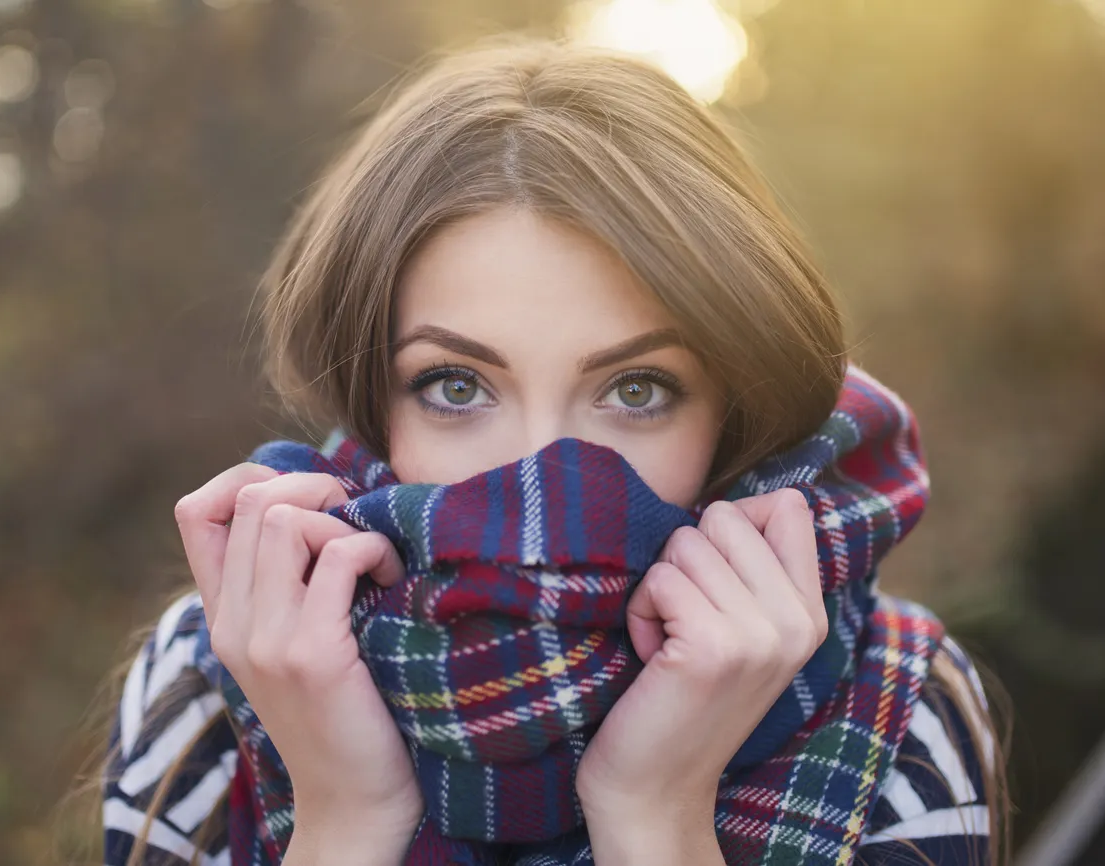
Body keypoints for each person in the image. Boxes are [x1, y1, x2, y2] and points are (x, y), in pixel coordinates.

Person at [92, 35, 1009, 866]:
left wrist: (653, 816)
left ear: (735, 402)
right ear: (374, 403)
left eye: (636, 390)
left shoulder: (896, 704)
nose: (540, 482)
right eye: (457, 386)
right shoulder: (220, 680)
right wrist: (346, 815)